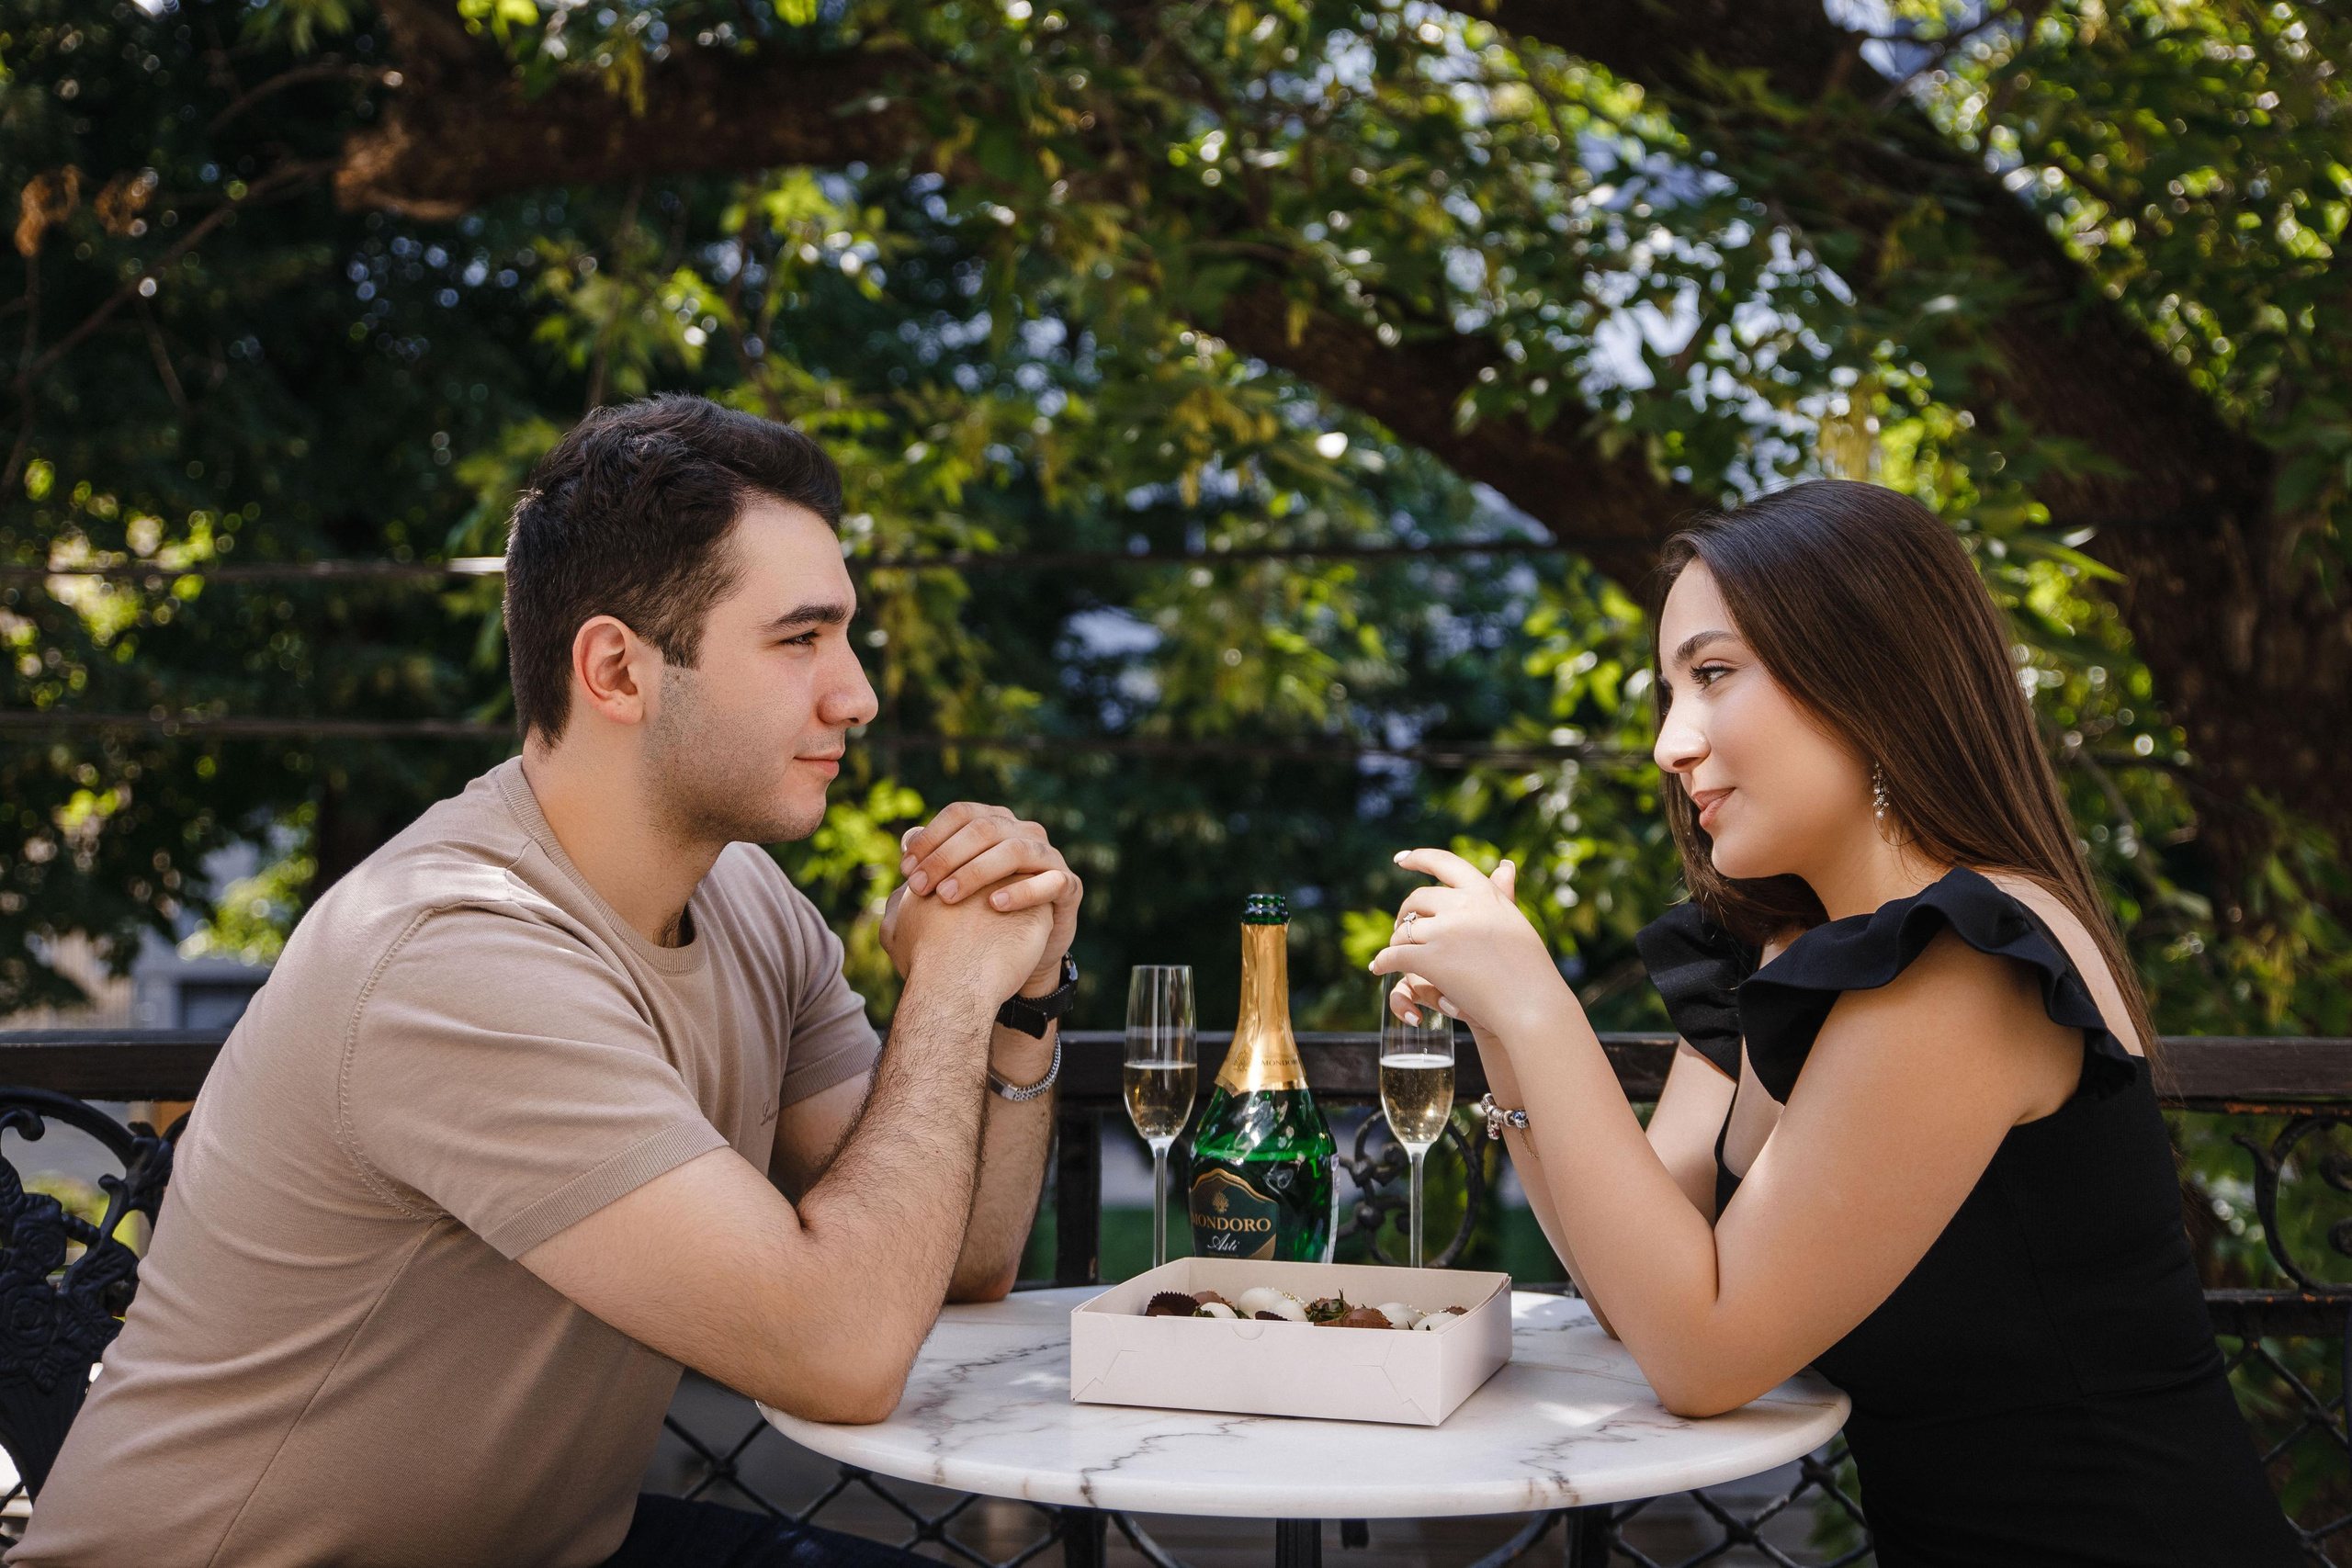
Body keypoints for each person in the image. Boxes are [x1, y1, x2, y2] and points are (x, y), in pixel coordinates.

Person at [14, 396, 1085, 1568]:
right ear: (617, 669)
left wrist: (1016, 999)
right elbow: (843, 1350)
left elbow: (955, 1263)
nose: (857, 693)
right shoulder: (458, 956)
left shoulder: (744, 903)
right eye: (800, 640)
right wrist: (940, 992)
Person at [1372, 480, 2298, 1566]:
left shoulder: (1971, 958)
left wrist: (1541, 1003)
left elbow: (1704, 1356)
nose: (1671, 742)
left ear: (1868, 677)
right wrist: (1502, 1028)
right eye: (1668, 691)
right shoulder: (1778, 951)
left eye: (1713, 675)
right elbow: (1635, 1291)